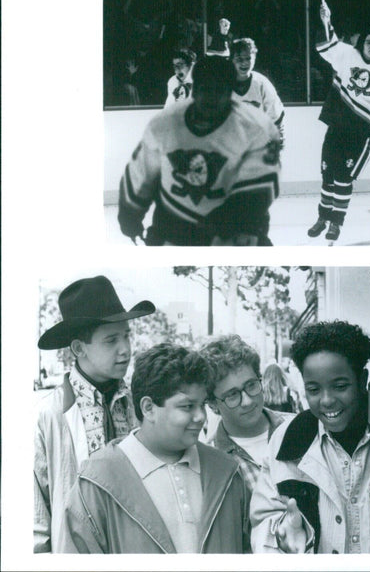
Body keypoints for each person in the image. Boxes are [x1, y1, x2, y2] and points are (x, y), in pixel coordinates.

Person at [60, 343, 251, 553]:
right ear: (148, 408)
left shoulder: (227, 472)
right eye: (187, 406)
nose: (201, 417)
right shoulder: (95, 484)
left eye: (202, 404)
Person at [34, 276, 156, 553]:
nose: (125, 349)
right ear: (79, 349)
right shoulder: (48, 416)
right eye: (111, 340)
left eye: (126, 335)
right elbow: (37, 524)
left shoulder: (141, 404)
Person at [117, 55, 281, 246]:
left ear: (231, 93)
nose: (211, 98)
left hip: (232, 228)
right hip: (174, 224)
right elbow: (139, 177)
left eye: (219, 91)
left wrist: (229, 231)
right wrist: (130, 219)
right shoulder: (163, 126)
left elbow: (259, 193)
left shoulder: (255, 130)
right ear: (194, 91)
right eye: (205, 89)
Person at [250, 321, 370, 554]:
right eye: (314, 390)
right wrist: (282, 537)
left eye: (340, 386)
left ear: (362, 379)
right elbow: (264, 520)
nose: (326, 400)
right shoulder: (286, 441)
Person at [307, 3, 370, 243]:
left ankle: (336, 223)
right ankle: (323, 217)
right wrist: (325, 21)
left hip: (361, 133)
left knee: (343, 177)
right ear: (362, 43)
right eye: (369, 41)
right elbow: (323, 46)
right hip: (337, 127)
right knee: (328, 175)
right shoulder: (347, 54)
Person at [201, 336, 287, 494]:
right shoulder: (209, 461)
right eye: (233, 395)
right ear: (213, 404)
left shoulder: (297, 428)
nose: (247, 401)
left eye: (251, 385)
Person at [230, 37, 286, 145]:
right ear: (231, 60)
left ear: (254, 58)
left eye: (248, 58)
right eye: (239, 59)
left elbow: (276, 120)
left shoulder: (262, 84)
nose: (244, 63)